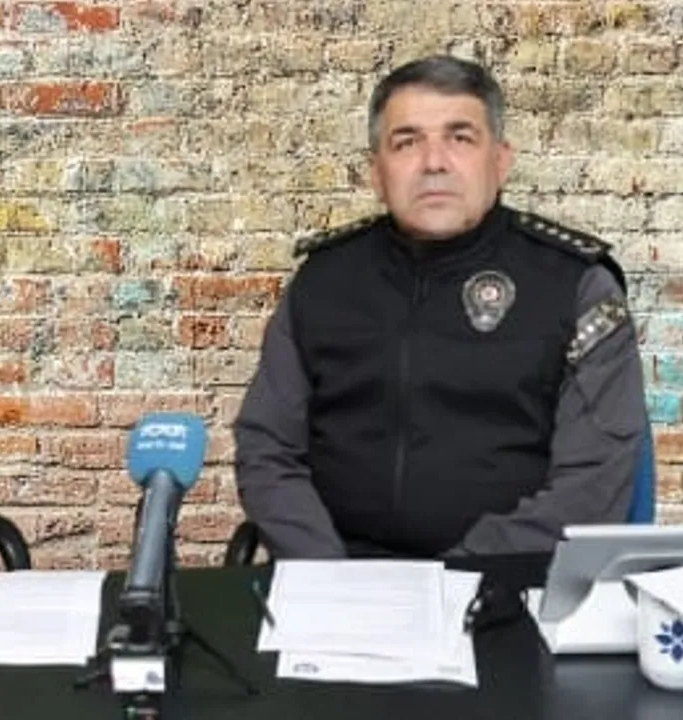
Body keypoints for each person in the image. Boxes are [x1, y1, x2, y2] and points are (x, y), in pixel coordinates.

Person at [234, 55, 648, 560]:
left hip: (513, 578)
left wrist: (460, 581)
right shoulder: (323, 281)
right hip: (338, 574)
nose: (434, 162)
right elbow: (267, 448)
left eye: (460, 138)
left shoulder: (576, 284)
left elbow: (593, 483)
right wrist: (326, 574)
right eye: (407, 142)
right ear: (376, 172)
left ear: (500, 161)